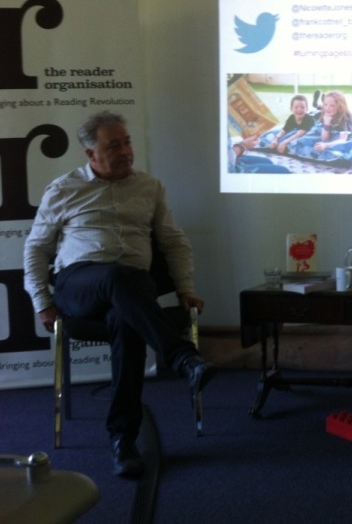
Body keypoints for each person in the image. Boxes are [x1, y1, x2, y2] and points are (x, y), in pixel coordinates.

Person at [23, 111, 215, 478]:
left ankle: (122, 442)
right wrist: (42, 302)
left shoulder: (150, 187)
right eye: (114, 145)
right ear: (90, 154)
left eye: (127, 142)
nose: (126, 151)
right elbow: (36, 249)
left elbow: (174, 242)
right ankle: (181, 358)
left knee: (125, 323)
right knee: (117, 277)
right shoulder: (64, 189)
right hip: (79, 283)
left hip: (130, 289)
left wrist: (187, 288)